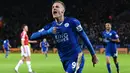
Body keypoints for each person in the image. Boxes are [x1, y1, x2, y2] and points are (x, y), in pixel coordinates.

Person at [31, 1, 98, 73]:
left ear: (63, 11)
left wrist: (93, 55)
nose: (54, 8)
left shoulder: (73, 22)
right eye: (53, 7)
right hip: (64, 60)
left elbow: (85, 38)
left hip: (77, 56)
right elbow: (32, 36)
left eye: (57, 7)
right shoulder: (50, 26)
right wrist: (47, 32)